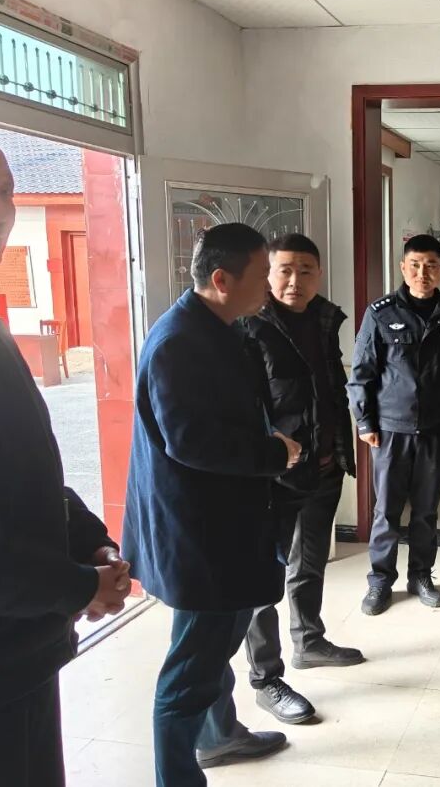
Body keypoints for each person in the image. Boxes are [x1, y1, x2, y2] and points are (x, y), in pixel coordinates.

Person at [0, 123, 129, 786]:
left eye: (5, 191)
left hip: (15, 650)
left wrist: (88, 542)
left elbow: (22, 469)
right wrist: (75, 588)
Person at [122, 223, 304, 787]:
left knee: (214, 644)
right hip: (198, 534)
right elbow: (192, 442)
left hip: (221, 526)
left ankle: (219, 735)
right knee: (191, 668)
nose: (269, 286)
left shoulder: (219, 327)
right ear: (222, 279)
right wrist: (274, 453)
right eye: (261, 275)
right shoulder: (179, 343)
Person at [241, 233, 363, 725]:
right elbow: (246, 409)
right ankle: (265, 678)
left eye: (305, 270)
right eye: (285, 270)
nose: (295, 280)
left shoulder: (325, 319)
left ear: (319, 274)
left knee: (310, 563)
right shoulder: (251, 328)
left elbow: (329, 393)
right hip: (276, 477)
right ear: (268, 274)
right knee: (263, 577)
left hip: (324, 468)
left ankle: (309, 641)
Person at [347, 233, 440, 615]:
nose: (423, 273)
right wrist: (364, 420)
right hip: (391, 429)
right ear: (403, 268)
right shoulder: (381, 313)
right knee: (386, 510)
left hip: (436, 429)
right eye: (416, 265)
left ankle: (421, 576)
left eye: (431, 266)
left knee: (426, 510)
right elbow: (362, 371)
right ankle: (380, 581)